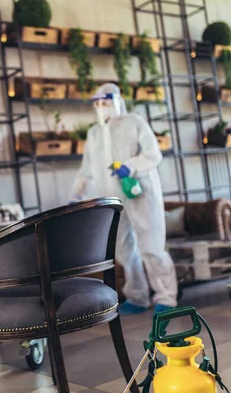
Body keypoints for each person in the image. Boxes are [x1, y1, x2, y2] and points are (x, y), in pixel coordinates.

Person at [70, 83, 177, 315]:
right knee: (123, 249)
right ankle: (137, 296)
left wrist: (130, 166)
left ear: (117, 101)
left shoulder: (135, 123)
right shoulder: (94, 133)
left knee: (151, 245)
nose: (101, 108)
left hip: (141, 194)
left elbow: (153, 154)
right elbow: (87, 170)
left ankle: (167, 298)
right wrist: (76, 196)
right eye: (97, 104)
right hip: (113, 199)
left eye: (106, 103)